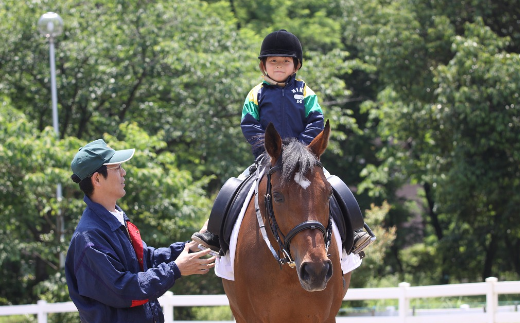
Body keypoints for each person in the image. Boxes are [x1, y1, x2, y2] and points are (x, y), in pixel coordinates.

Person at [192, 29, 324, 252]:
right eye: (273, 61)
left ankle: (356, 231)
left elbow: (316, 121)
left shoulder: (306, 92)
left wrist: (301, 148)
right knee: (232, 189)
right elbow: (249, 125)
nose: (279, 66)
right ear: (264, 65)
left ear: (296, 65)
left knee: (334, 185)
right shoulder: (256, 93)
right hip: (268, 158)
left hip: (303, 159)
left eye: (285, 61)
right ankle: (213, 232)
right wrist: (268, 150)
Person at [65, 139, 215, 323]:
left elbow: (146, 259)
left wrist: (191, 246)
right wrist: (175, 269)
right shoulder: (89, 237)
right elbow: (123, 290)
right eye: (117, 167)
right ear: (97, 178)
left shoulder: (115, 218)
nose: (124, 172)